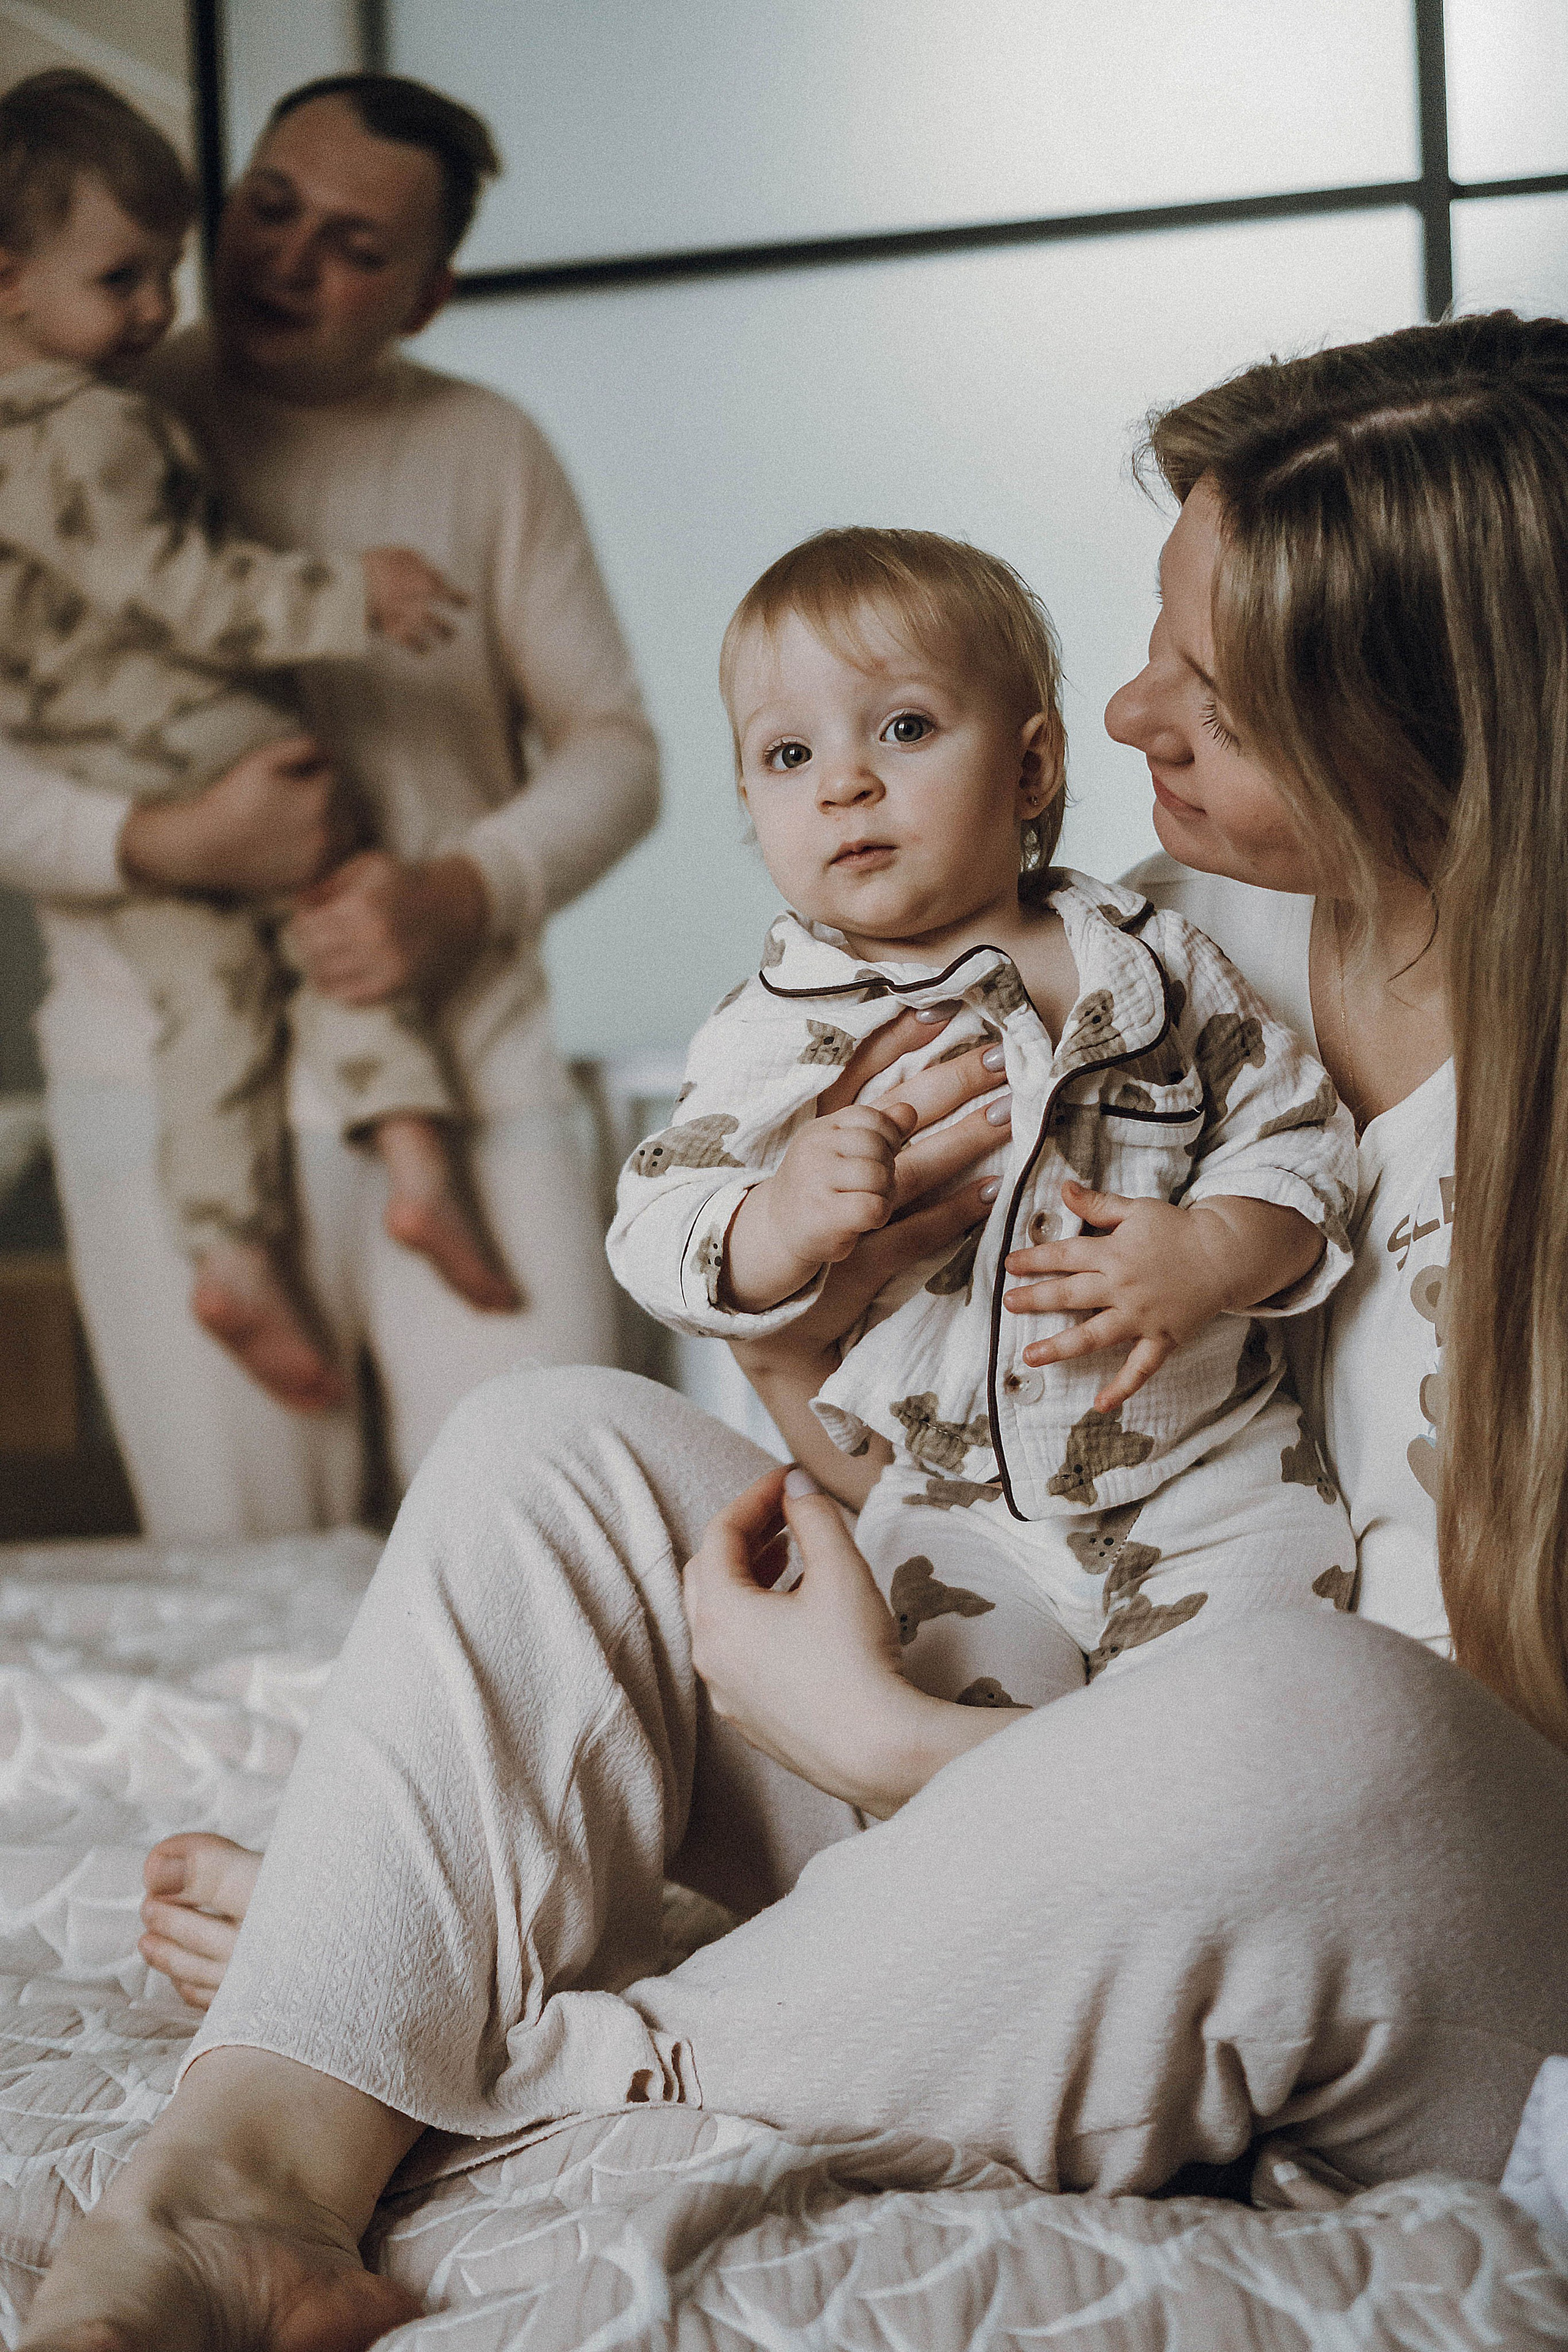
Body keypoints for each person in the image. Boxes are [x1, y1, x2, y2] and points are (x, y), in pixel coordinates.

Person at [26, 313, 1568, 2350]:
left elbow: (1402, 1798)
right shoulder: (1183, 944)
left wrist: (888, 1749)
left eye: (1209, 690)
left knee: (1326, 1721)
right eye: (1154, 641)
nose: (1117, 712)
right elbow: (931, 1432)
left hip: (1376, 1883)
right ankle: (246, 2187)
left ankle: (496, 2047)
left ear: (1441, 734)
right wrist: (802, 1345)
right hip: (1066, 1721)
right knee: (551, 1444)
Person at [0, 70, 658, 1538]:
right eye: (269, 206)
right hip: (164, 1091)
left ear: (425, 298)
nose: (284, 259)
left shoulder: (488, 448)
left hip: (471, 1087)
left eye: (356, 245)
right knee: (251, 1589)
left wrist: (455, 895)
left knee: (544, 1556)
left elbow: (617, 751)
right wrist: (157, 845)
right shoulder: (71, 425)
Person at [609, 527, 1358, 1703]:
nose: (844, 783)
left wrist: (1215, 1249)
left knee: (1267, 1710)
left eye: (903, 729)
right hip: (954, 1512)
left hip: (1210, 1466)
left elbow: (1300, 1135)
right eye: (788, 753)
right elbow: (656, 1222)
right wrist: (778, 1218)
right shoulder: (780, 1029)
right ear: (752, 800)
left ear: (1031, 770)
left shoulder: (1152, 962)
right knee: (962, 1750)